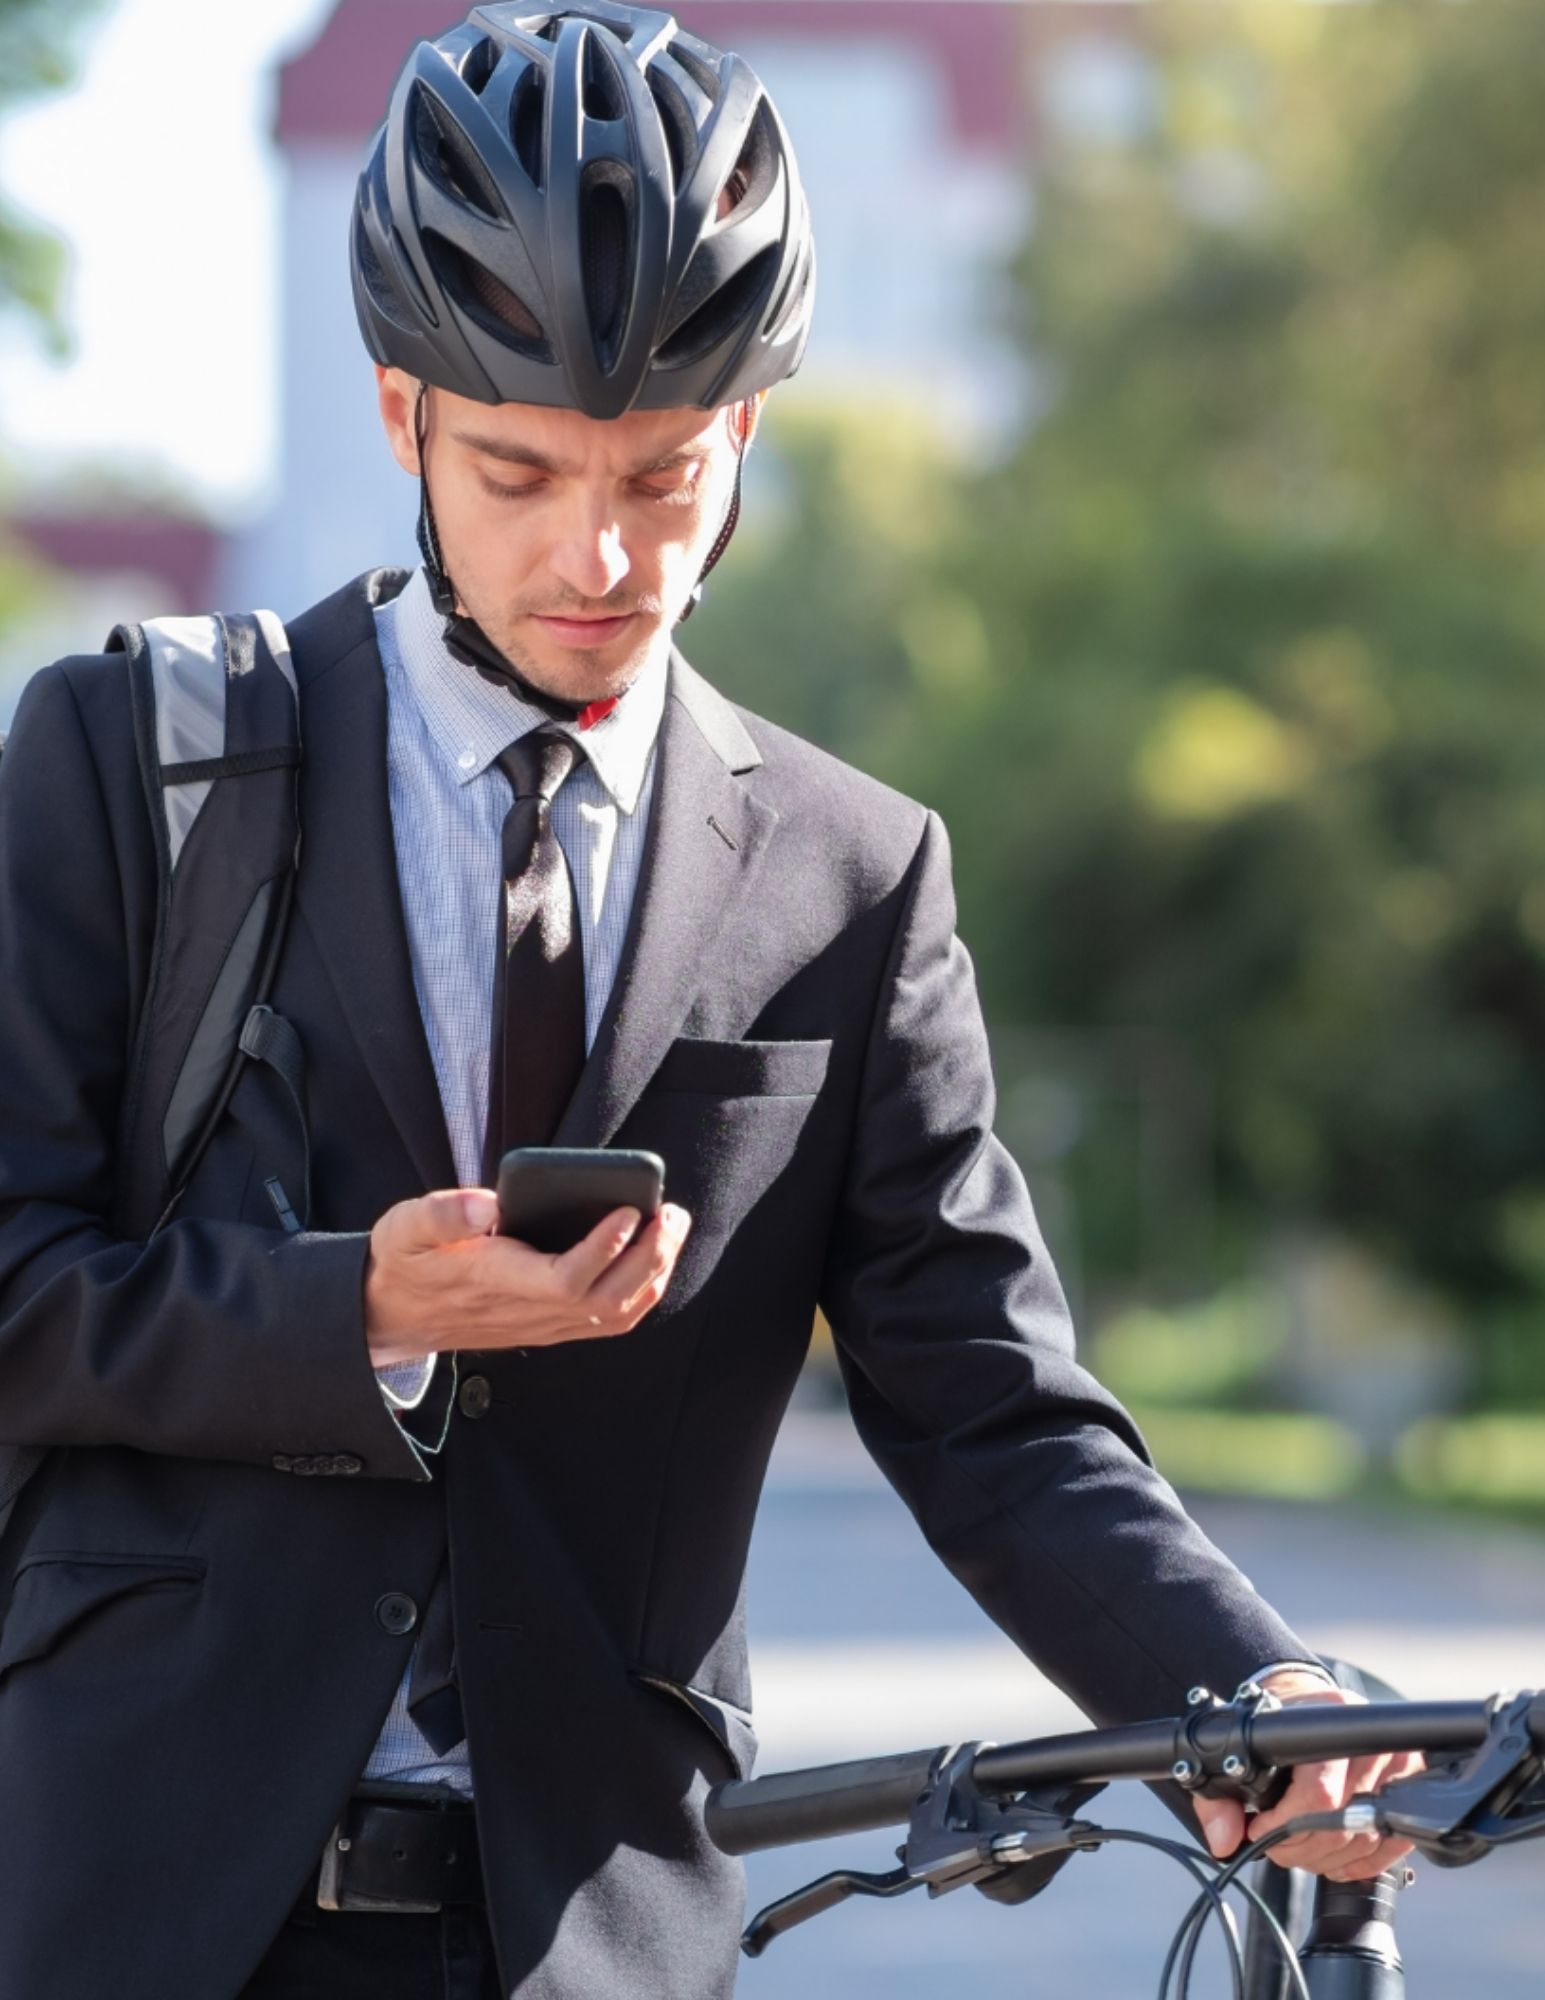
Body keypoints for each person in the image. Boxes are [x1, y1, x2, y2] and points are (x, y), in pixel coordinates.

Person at [0, 6, 1418, 1996]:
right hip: (137, 1911)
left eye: (665, 475)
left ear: (743, 429)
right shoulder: (127, 762)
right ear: (405, 418)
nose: (602, 553)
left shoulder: (854, 873)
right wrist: (364, 1306)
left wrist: (1245, 1686)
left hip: (588, 1940)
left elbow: (993, 1409)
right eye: (519, 468)